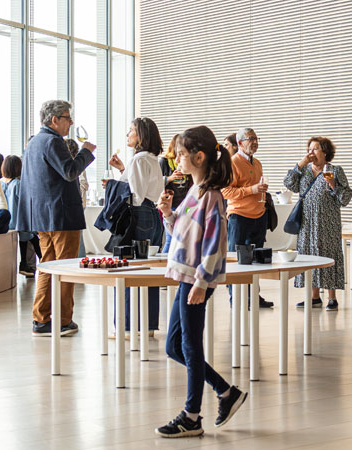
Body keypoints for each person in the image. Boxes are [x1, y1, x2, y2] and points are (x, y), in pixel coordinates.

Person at [154, 125, 246, 438]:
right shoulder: (195, 190)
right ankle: (225, 391)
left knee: (190, 347)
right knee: (174, 346)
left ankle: (191, 416)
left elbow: (214, 244)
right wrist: (168, 213)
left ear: (199, 156)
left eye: (180, 154)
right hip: (186, 276)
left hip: (195, 280)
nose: (176, 159)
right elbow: (180, 231)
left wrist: (202, 282)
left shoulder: (213, 197)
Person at [16, 99, 96, 336]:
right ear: (54, 120)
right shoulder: (53, 141)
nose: (71, 122)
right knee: (67, 268)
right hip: (61, 215)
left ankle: (41, 319)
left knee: (48, 267)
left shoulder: (33, 143)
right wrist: (86, 152)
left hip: (42, 216)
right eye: (67, 118)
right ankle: (62, 320)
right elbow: (70, 171)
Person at [107, 117, 166, 336]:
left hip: (138, 215)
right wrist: (123, 170)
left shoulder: (139, 160)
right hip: (152, 216)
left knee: (127, 269)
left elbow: (136, 195)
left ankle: (127, 326)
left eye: (130, 130)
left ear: (140, 135)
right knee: (148, 271)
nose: (127, 135)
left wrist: (114, 186)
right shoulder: (150, 159)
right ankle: (148, 325)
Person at [283, 137, 352, 310]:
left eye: (315, 149)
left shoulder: (335, 170)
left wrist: (334, 184)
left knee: (329, 256)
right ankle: (314, 297)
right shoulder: (305, 171)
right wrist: (300, 163)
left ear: (325, 152)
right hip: (307, 222)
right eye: (310, 149)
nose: (311, 152)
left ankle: (331, 298)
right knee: (309, 255)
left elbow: (345, 198)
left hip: (328, 222)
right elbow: (289, 183)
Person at [222, 128, 274, 309]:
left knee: (256, 261)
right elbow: (226, 191)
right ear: (240, 143)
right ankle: (235, 298)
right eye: (250, 139)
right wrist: (251, 190)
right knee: (236, 260)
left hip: (259, 216)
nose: (254, 141)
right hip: (239, 217)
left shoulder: (257, 163)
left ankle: (254, 296)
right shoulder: (232, 163)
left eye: (256, 138)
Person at [2, 155, 41, 278]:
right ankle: (44, 261)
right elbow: (25, 203)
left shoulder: (0, 182)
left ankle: (24, 264)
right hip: (19, 219)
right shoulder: (18, 184)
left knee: (27, 237)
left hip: (7, 221)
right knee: (32, 236)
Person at [159, 134, 193, 253]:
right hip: (170, 203)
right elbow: (157, 182)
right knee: (170, 239)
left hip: (185, 204)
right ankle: (163, 265)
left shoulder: (187, 163)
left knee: (182, 238)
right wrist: (169, 178)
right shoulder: (164, 161)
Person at [65, 138, 90, 257]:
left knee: (77, 235)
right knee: (77, 234)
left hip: (77, 203)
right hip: (78, 203)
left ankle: (80, 259)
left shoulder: (75, 164)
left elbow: (84, 184)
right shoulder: (75, 164)